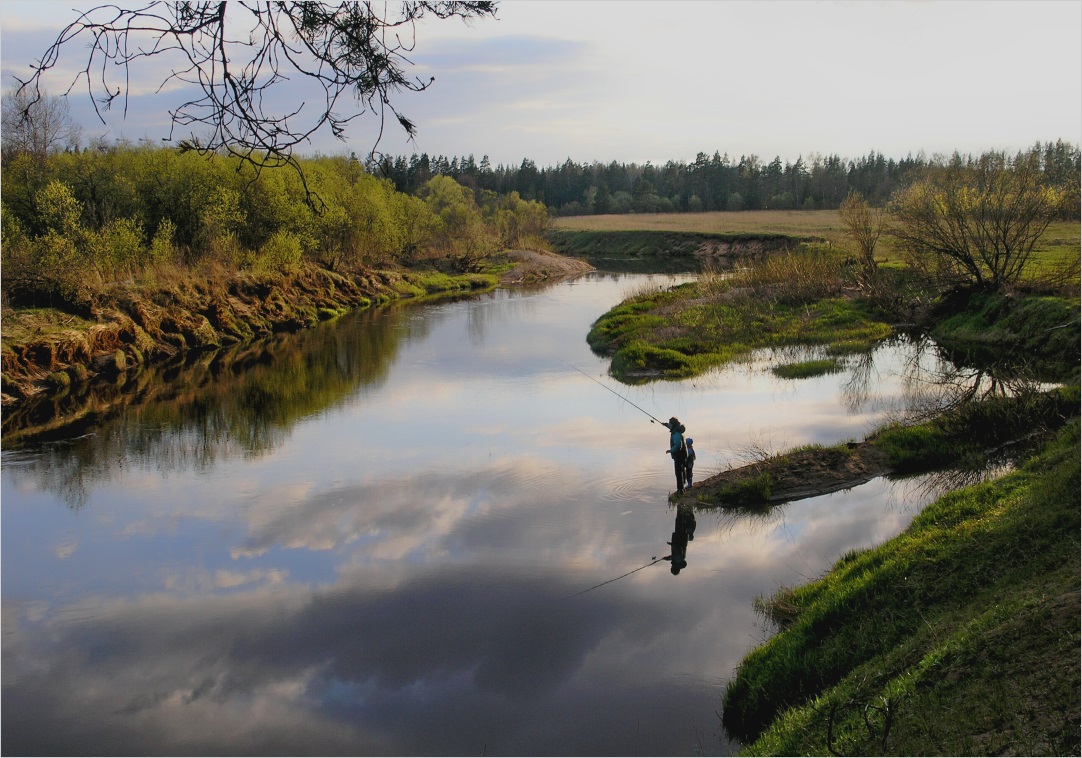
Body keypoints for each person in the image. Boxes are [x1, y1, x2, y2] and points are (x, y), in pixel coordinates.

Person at [662, 416, 688, 494]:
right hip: (682, 455)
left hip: (679, 456)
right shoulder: (677, 430)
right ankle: (682, 487)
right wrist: (665, 424)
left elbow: (678, 445)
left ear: (673, 424)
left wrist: (671, 450)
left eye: (670, 423)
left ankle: (680, 490)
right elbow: (670, 427)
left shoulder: (676, 434)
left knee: (678, 473)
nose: (669, 425)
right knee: (681, 471)